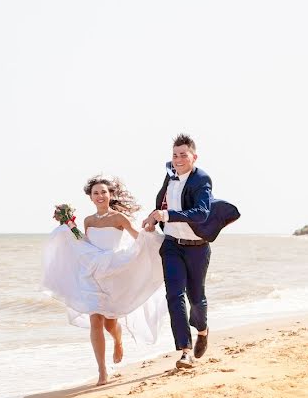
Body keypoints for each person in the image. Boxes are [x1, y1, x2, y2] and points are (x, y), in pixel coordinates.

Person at [42, 175, 167, 385]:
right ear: (91, 198)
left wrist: (151, 239)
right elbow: (86, 243)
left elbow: (137, 237)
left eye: (103, 192)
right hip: (92, 273)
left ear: (110, 195)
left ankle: (118, 339)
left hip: (113, 272)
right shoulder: (88, 221)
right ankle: (102, 371)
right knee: (95, 319)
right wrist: (70, 227)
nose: (100, 196)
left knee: (110, 323)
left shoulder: (118, 218)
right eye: (96, 193)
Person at [142, 134, 240, 369]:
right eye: (174, 155)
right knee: (174, 296)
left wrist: (168, 215)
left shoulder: (201, 179)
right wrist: (153, 217)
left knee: (196, 298)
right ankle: (185, 350)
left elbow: (201, 213)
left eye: (183, 155)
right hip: (172, 245)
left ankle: (203, 331)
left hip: (197, 248)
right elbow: (163, 204)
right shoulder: (170, 176)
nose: (178, 159)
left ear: (194, 156)